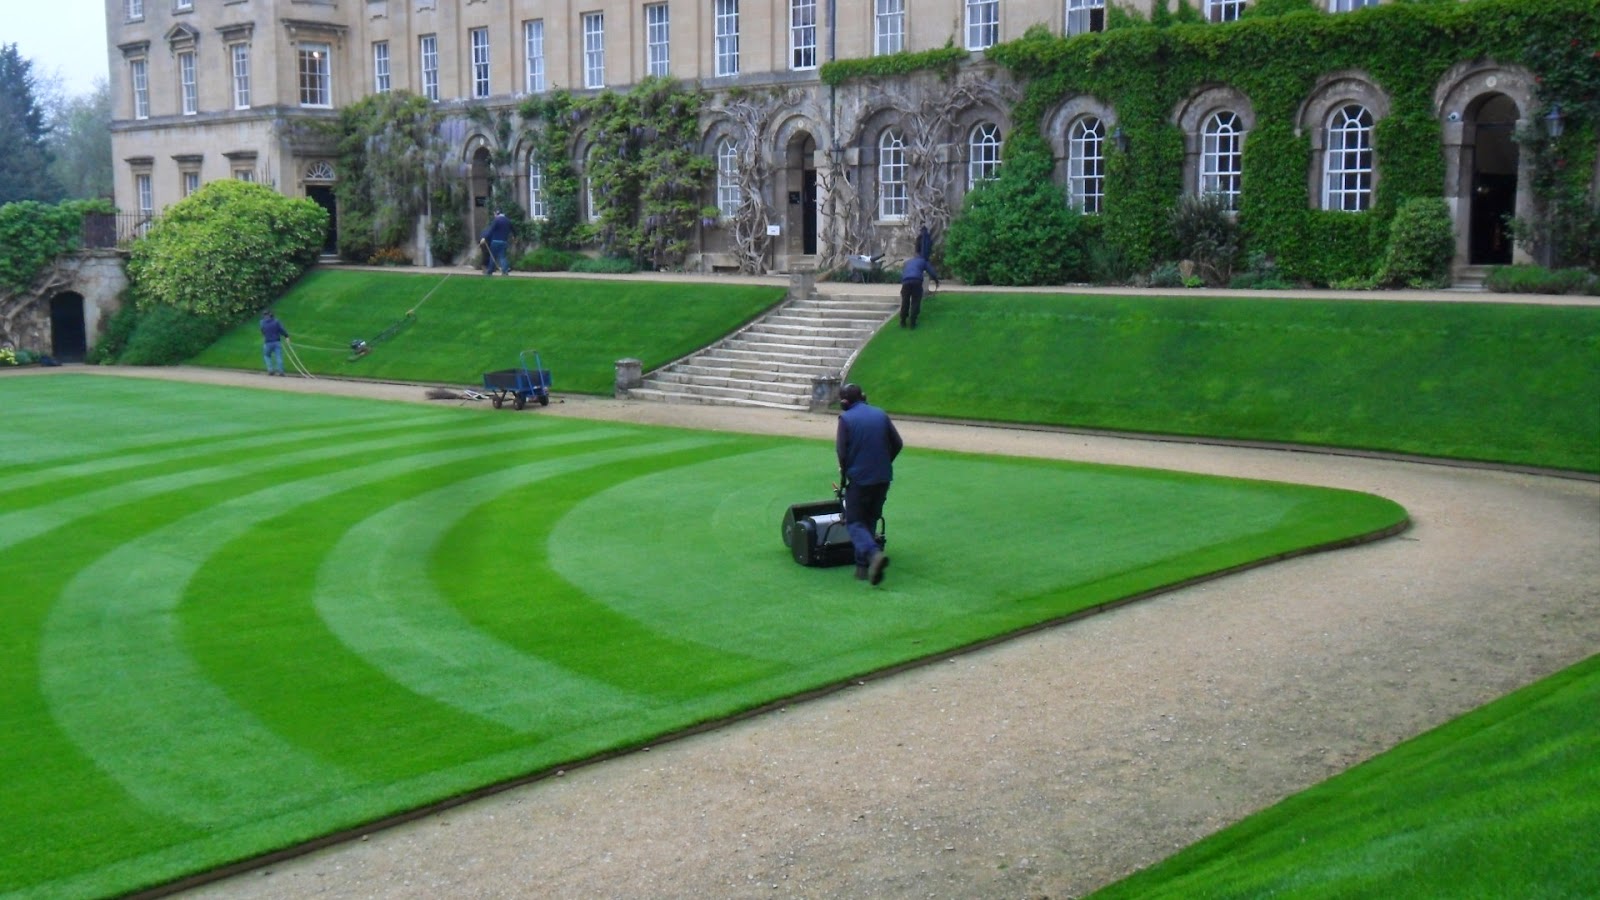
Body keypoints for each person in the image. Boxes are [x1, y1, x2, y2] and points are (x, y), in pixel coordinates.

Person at [836, 382, 902, 585]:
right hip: (883, 477)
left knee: (854, 522)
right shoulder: (880, 414)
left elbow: (842, 452)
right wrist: (883, 462)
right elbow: (897, 443)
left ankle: (873, 555)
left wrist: (845, 473)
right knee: (870, 519)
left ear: (845, 402)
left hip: (860, 478)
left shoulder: (845, 419)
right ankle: (863, 569)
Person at [899, 252, 940, 329]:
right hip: (916, 281)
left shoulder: (907, 262)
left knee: (905, 301)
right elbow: (931, 272)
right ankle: (912, 322)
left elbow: (903, 273)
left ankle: (903, 321)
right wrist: (936, 281)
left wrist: (903, 281)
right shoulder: (923, 261)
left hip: (906, 282)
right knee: (915, 301)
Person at [481, 209, 512, 275]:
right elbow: (513, 229)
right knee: (502, 257)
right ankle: (505, 271)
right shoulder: (508, 220)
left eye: (494, 214)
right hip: (504, 241)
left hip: (495, 241)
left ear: (496, 213)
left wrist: (484, 238)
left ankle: (490, 271)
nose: (494, 216)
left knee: (492, 257)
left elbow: (491, 230)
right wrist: (515, 236)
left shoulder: (496, 220)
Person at [260, 309, 290, 376]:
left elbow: (262, 331)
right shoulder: (276, 321)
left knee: (267, 356)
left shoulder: (262, 322)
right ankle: (281, 371)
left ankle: (270, 370)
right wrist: (286, 336)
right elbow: (281, 330)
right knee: (278, 357)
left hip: (268, 342)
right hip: (277, 341)